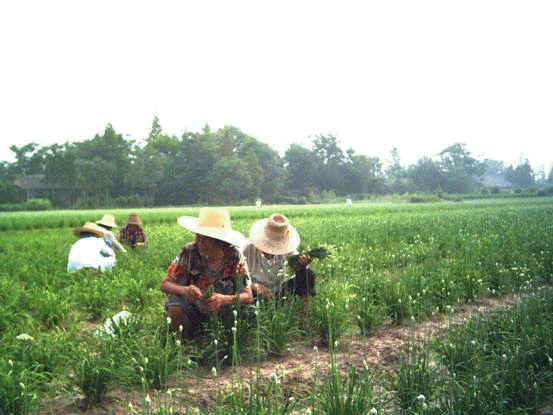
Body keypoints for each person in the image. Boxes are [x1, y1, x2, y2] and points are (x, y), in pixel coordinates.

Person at [160, 207, 253, 340]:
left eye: (206, 239)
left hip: (224, 311)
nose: (200, 243)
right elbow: (165, 284)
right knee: (175, 306)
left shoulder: (234, 257)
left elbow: (247, 296)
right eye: (198, 237)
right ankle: (184, 343)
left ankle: (225, 339)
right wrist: (186, 290)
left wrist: (223, 299)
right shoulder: (189, 252)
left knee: (248, 312)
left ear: (219, 241)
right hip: (193, 308)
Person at [241, 214, 316, 320]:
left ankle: (305, 316)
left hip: (279, 291)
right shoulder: (247, 248)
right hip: (254, 293)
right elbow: (236, 276)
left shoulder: (289, 251)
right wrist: (253, 285)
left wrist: (303, 265)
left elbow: (300, 273)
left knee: (307, 274)